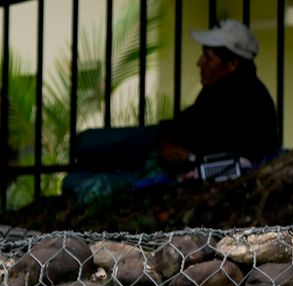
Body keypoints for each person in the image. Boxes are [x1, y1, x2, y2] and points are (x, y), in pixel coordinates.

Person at [65, 19, 281, 197]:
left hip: (169, 167)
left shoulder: (251, 104)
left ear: (232, 63)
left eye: (208, 57)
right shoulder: (221, 89)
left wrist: (187, 157)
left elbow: (234, 159)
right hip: (160, 145)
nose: (200, 63)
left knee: (76, 179)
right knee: (85, 145)